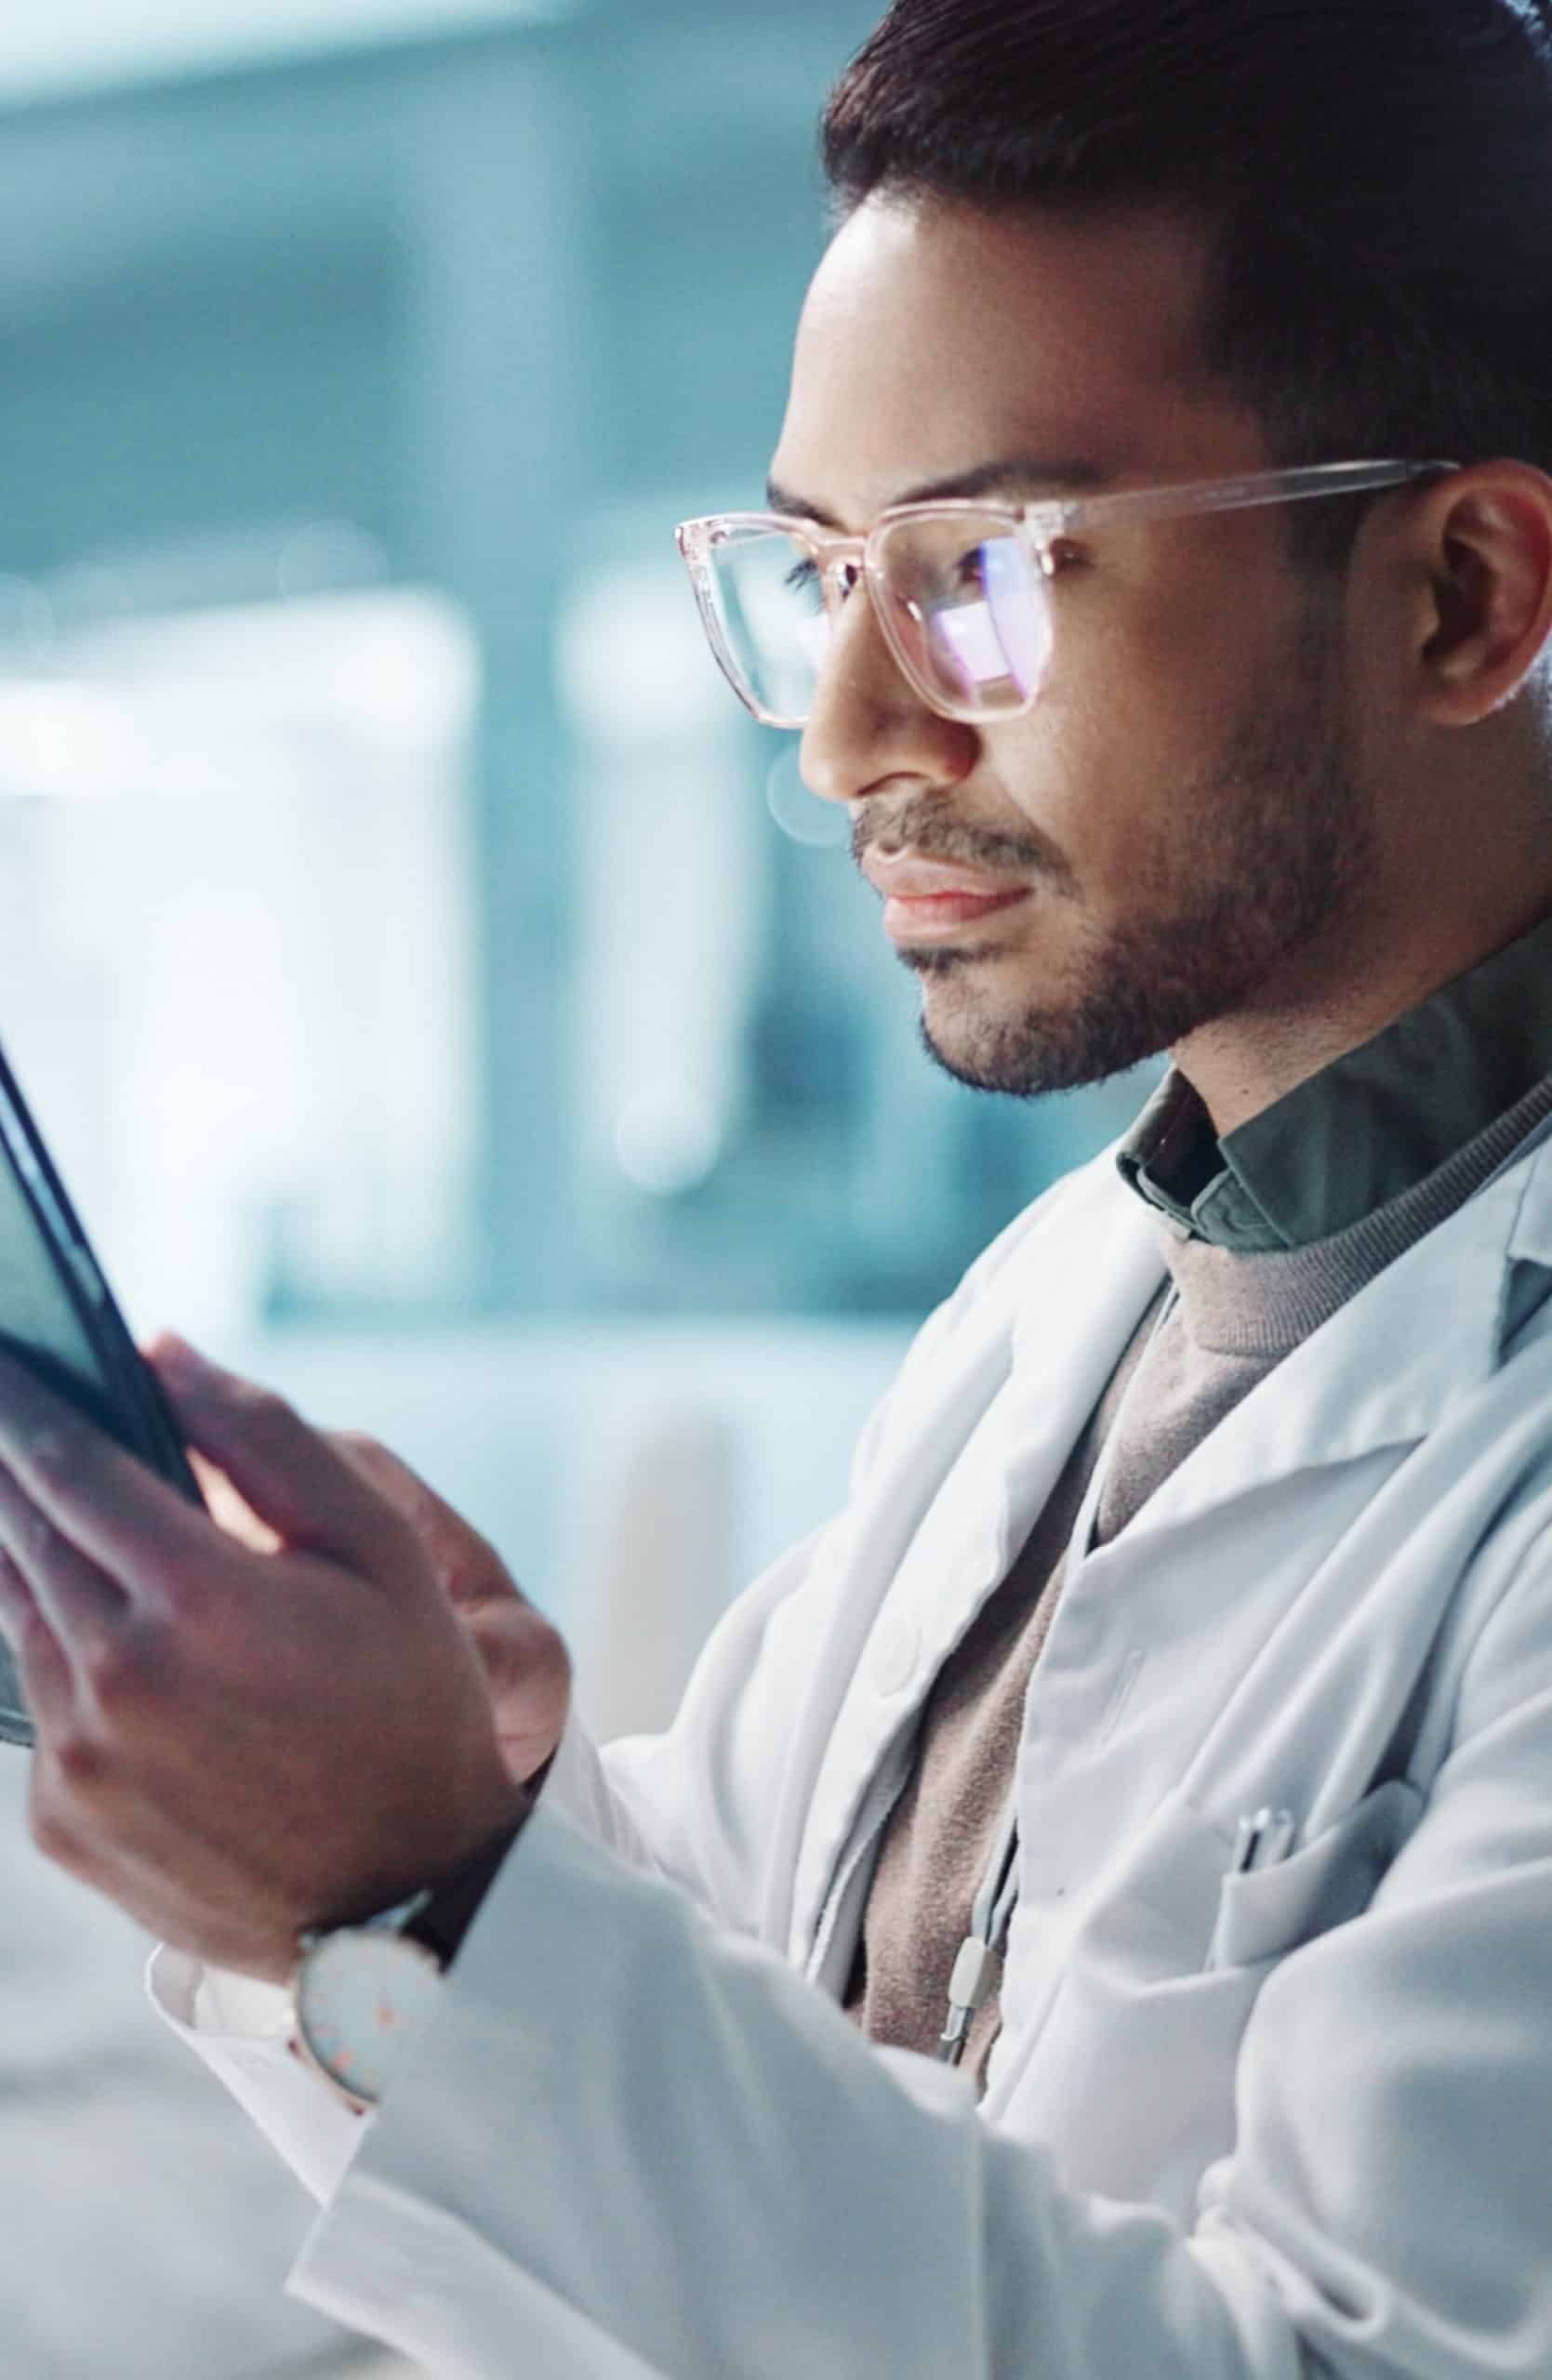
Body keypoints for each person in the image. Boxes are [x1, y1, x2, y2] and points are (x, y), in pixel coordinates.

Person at [4, 0, 1552, 2369]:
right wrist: (491, 1802)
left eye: (993, 571)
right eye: (824, 571)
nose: (847, 733)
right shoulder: (1058, 1318)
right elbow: (767, 2107)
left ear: (1458, 595)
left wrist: (417, 1887)